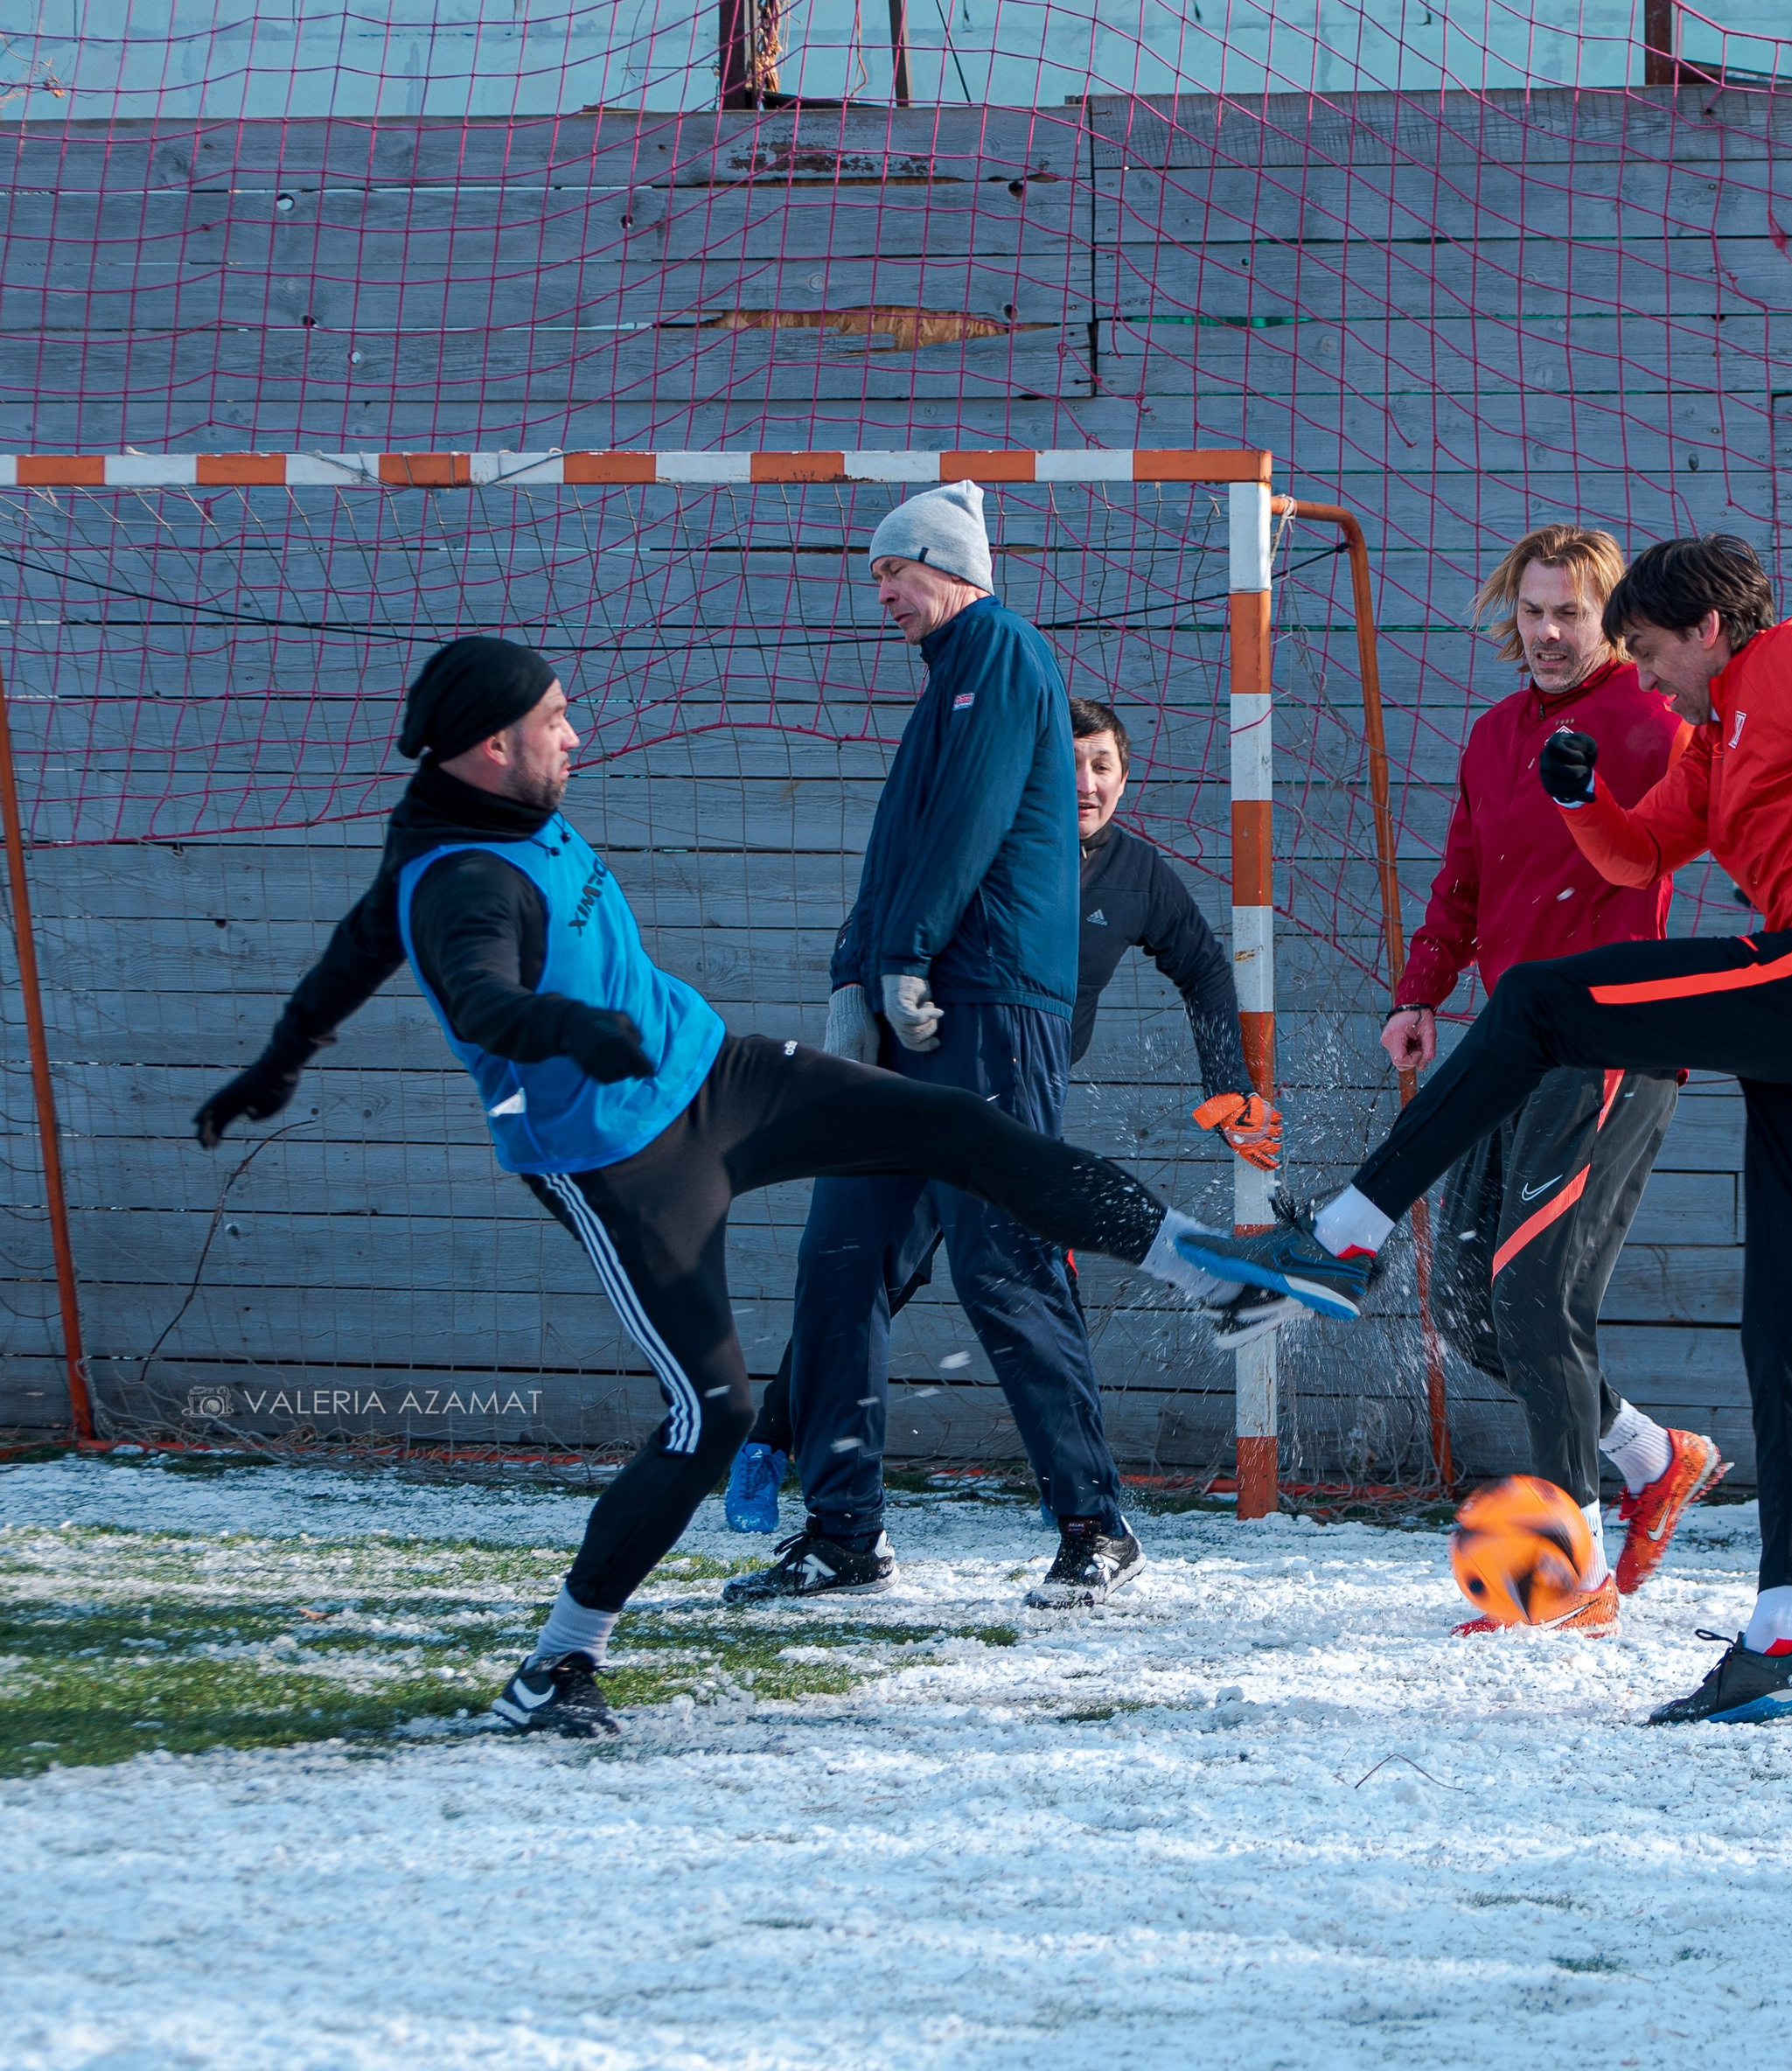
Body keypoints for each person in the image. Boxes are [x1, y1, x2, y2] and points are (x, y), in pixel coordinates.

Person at [192, 634, 1279, 1738]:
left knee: (961, 1133)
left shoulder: (478, 811)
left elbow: (356, 942)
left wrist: (277, 1062)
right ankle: (561, 1663)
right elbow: (477, 994)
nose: (576, 733)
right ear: (490, 746)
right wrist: (572, 1029)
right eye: (554, 719)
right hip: (626, 1165)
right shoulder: (468, 878)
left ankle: (1214, 1275)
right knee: (713, 1413)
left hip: (721, 1077)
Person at [1175, 535, 1792, 1726]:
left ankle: (1344, 1232)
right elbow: (1640, 849)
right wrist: (1578, 796)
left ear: (1706, 630)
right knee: (1788, 1330)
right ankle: (1782, 1636)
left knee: (1540, 1004)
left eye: (1646, 650)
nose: (1642, 677)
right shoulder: (1711, 746)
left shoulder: (1781, 659)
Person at [727, 484, 1189, 1615]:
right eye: (876, 575)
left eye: (894, 570)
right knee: (840, 1260)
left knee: (1003, 1259)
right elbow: (898, 846)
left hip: (984, 1007)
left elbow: (971, 818)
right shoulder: (944, 683)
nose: (881, 592)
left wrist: (905, 953)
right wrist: (854, 975)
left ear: (948, 564)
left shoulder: (1004, 650)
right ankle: (844, 1534)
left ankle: (1096, 1526)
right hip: (911, 1007)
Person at [724, 694, 1279, 1534]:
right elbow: (881, 903)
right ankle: (775, 1447)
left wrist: (1228, 1091)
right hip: (906, 1095)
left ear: (1126, 779)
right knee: (862, 1278)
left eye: (1102, 766)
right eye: (1069, 764)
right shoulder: (988, 847)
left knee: (1029, 1284)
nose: (1085, 783)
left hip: (1013, 1109)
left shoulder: (1138, 876)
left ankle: (1082, 1507)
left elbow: (1203, 970)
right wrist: (852, 993)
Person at [1386, 524, 1723, 1635]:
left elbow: (1719, 818)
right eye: (1530, 611)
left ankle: (1574, 1578)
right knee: (1467, 1305)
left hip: (1609, 1047)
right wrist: (1419, 993)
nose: (1544, 632)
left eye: (1568, 612)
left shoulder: (1652, 721)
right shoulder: (1493, 735)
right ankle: (1652, 1457)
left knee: (1536, 1297)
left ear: (1610, 620)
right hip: (1508, 1044)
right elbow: (1463, 879)